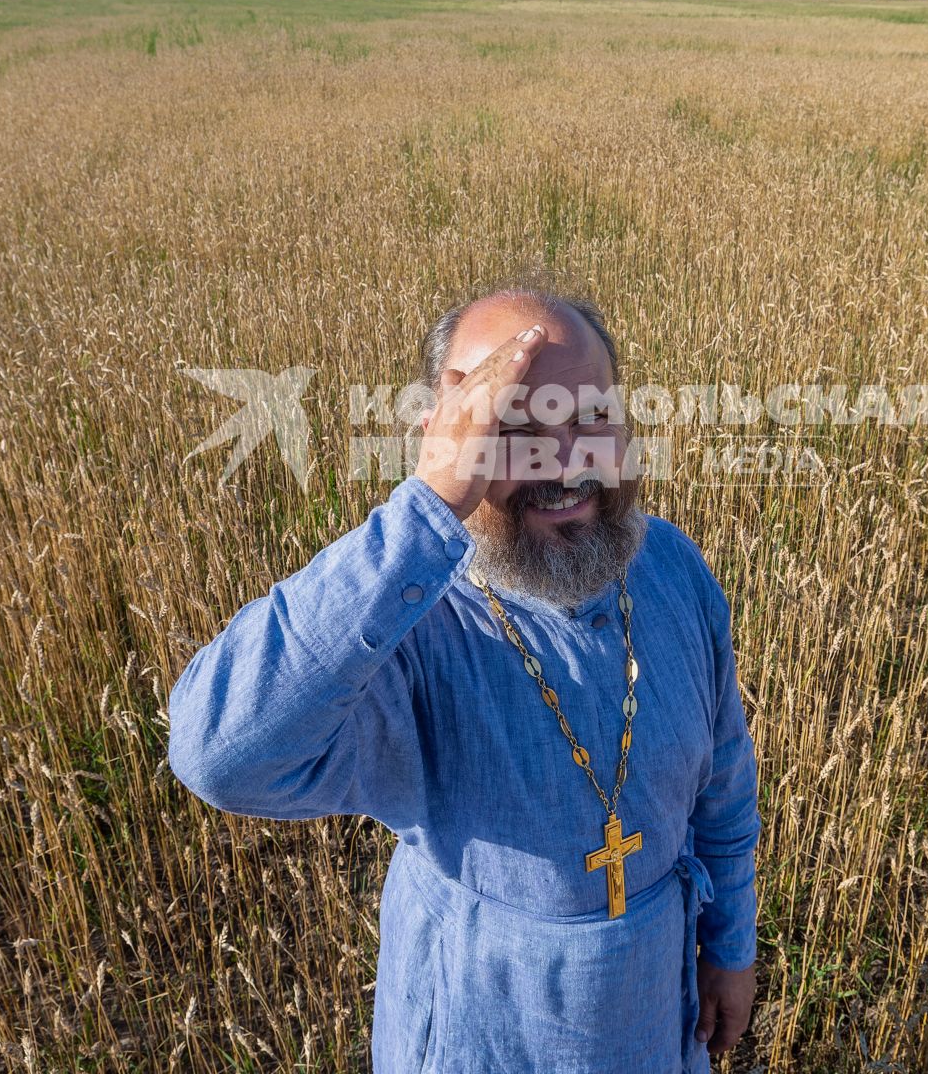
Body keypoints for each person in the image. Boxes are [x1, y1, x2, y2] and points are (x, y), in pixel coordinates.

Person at [166, 286, 761, 1072]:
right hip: (482, 1032)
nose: (566, 463)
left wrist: (730, 946)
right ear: (448, 441)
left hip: (655, 1019)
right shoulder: (410, 628)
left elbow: (723, 779)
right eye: (512, 429)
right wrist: (427, 509)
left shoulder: (671, 570)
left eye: (592, 418)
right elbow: (217, 752)